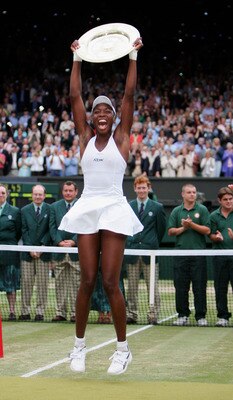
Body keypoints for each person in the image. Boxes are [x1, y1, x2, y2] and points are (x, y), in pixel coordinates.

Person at [58, 35, 144, 375]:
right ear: (91, 119)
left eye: (108, 109)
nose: (103, 113)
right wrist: (77, 58)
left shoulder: (122, 139)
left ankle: (122, 350)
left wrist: (133, 57)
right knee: (87, 279)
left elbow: (129, 95)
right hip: (88, 205)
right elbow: (75, 95)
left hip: (114, 206)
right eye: (98, 110)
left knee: (110, 281)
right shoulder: (84, 137)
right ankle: (78, 347)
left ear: (116, 117)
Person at [125, 175, 166, 325]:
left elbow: (161, 230)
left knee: (153, 287)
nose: (141, 190)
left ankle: (153, 314)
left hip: (150, 253)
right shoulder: (128, 206)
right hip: (133, 252)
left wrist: (152, 243)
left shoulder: (157, 207)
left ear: (148, 188)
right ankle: (132, 314)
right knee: (132, 287)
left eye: (144, 187)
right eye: (139, 187)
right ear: (135, 189)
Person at [167, 183, 210, 327]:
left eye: (194, 192)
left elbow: (207, 230)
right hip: (181, 254)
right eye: (189, 192)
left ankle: (200, 317)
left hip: (198, 254)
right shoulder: (176, 211)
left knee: (199, 286)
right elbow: (171, 231)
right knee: (181, 287)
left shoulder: (202, 210)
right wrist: (183, 228)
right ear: (183, 194)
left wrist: (191, 225)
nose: (192, 194)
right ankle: (182, 315)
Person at [49, 180, 81, 323]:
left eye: (70, 191)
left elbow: (85, 226)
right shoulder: (54, 207)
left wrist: (74, 241)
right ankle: (60, 312)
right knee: (60, 283)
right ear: (62, 192)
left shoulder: (82, 206)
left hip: (76, 252)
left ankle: (76, 313)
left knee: (76, 284)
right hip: (59, 251)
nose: (68, 193)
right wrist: (59, 242)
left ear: (76, 192)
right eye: (65, 191)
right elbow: (52, 227)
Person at [19, 184, 51, 321]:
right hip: (27, 254)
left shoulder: (50, 209)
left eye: (40, 194)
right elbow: (24, 230)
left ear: (44, 196)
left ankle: (40, 312)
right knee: (26, 283)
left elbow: (50, 229)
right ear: (32, 195)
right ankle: (25, 311)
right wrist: (30, 248)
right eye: (35, 194)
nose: (38, 196)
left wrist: (41, 247)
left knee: (42, 284)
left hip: (44, 254)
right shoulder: (24, 210)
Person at [209, 186, 233, 327]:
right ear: (220, 201)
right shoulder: (213, 216)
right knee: (220, 288)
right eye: (226, 200)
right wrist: (216, 237)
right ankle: (223, 317)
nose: (229, 202)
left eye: (231, 199)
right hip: (219, 258)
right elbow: (211, 234)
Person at [0, 184, 21, 320]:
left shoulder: (14, 211)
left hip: (9, 254)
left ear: (6, 195)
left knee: (10, 285)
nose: (0, 195)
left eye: (2, 193)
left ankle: (12, 311)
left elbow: (18, 232)